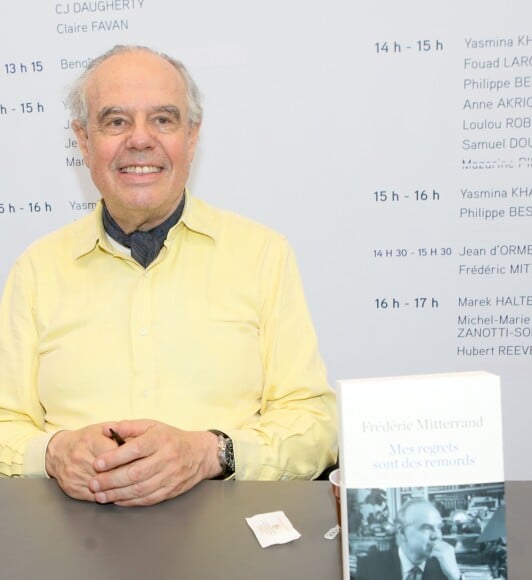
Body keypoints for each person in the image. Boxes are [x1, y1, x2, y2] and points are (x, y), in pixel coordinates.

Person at [0, 45, 337, 506]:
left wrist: (210, 453)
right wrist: (55, 453)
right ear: (83, 141)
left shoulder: (263, 256)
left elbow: (316, 424)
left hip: (229, 548)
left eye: (163, 119)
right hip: (73, 547)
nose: (140, 140)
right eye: (116, 121)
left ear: (192, 137)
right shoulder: (36, 270)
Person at [357, 499, 462, 580]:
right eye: (427, 528)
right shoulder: (369, 566)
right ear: (402, 532)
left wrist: (455, 577)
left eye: (439, 528)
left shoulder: (446, 567)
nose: (437, 536)